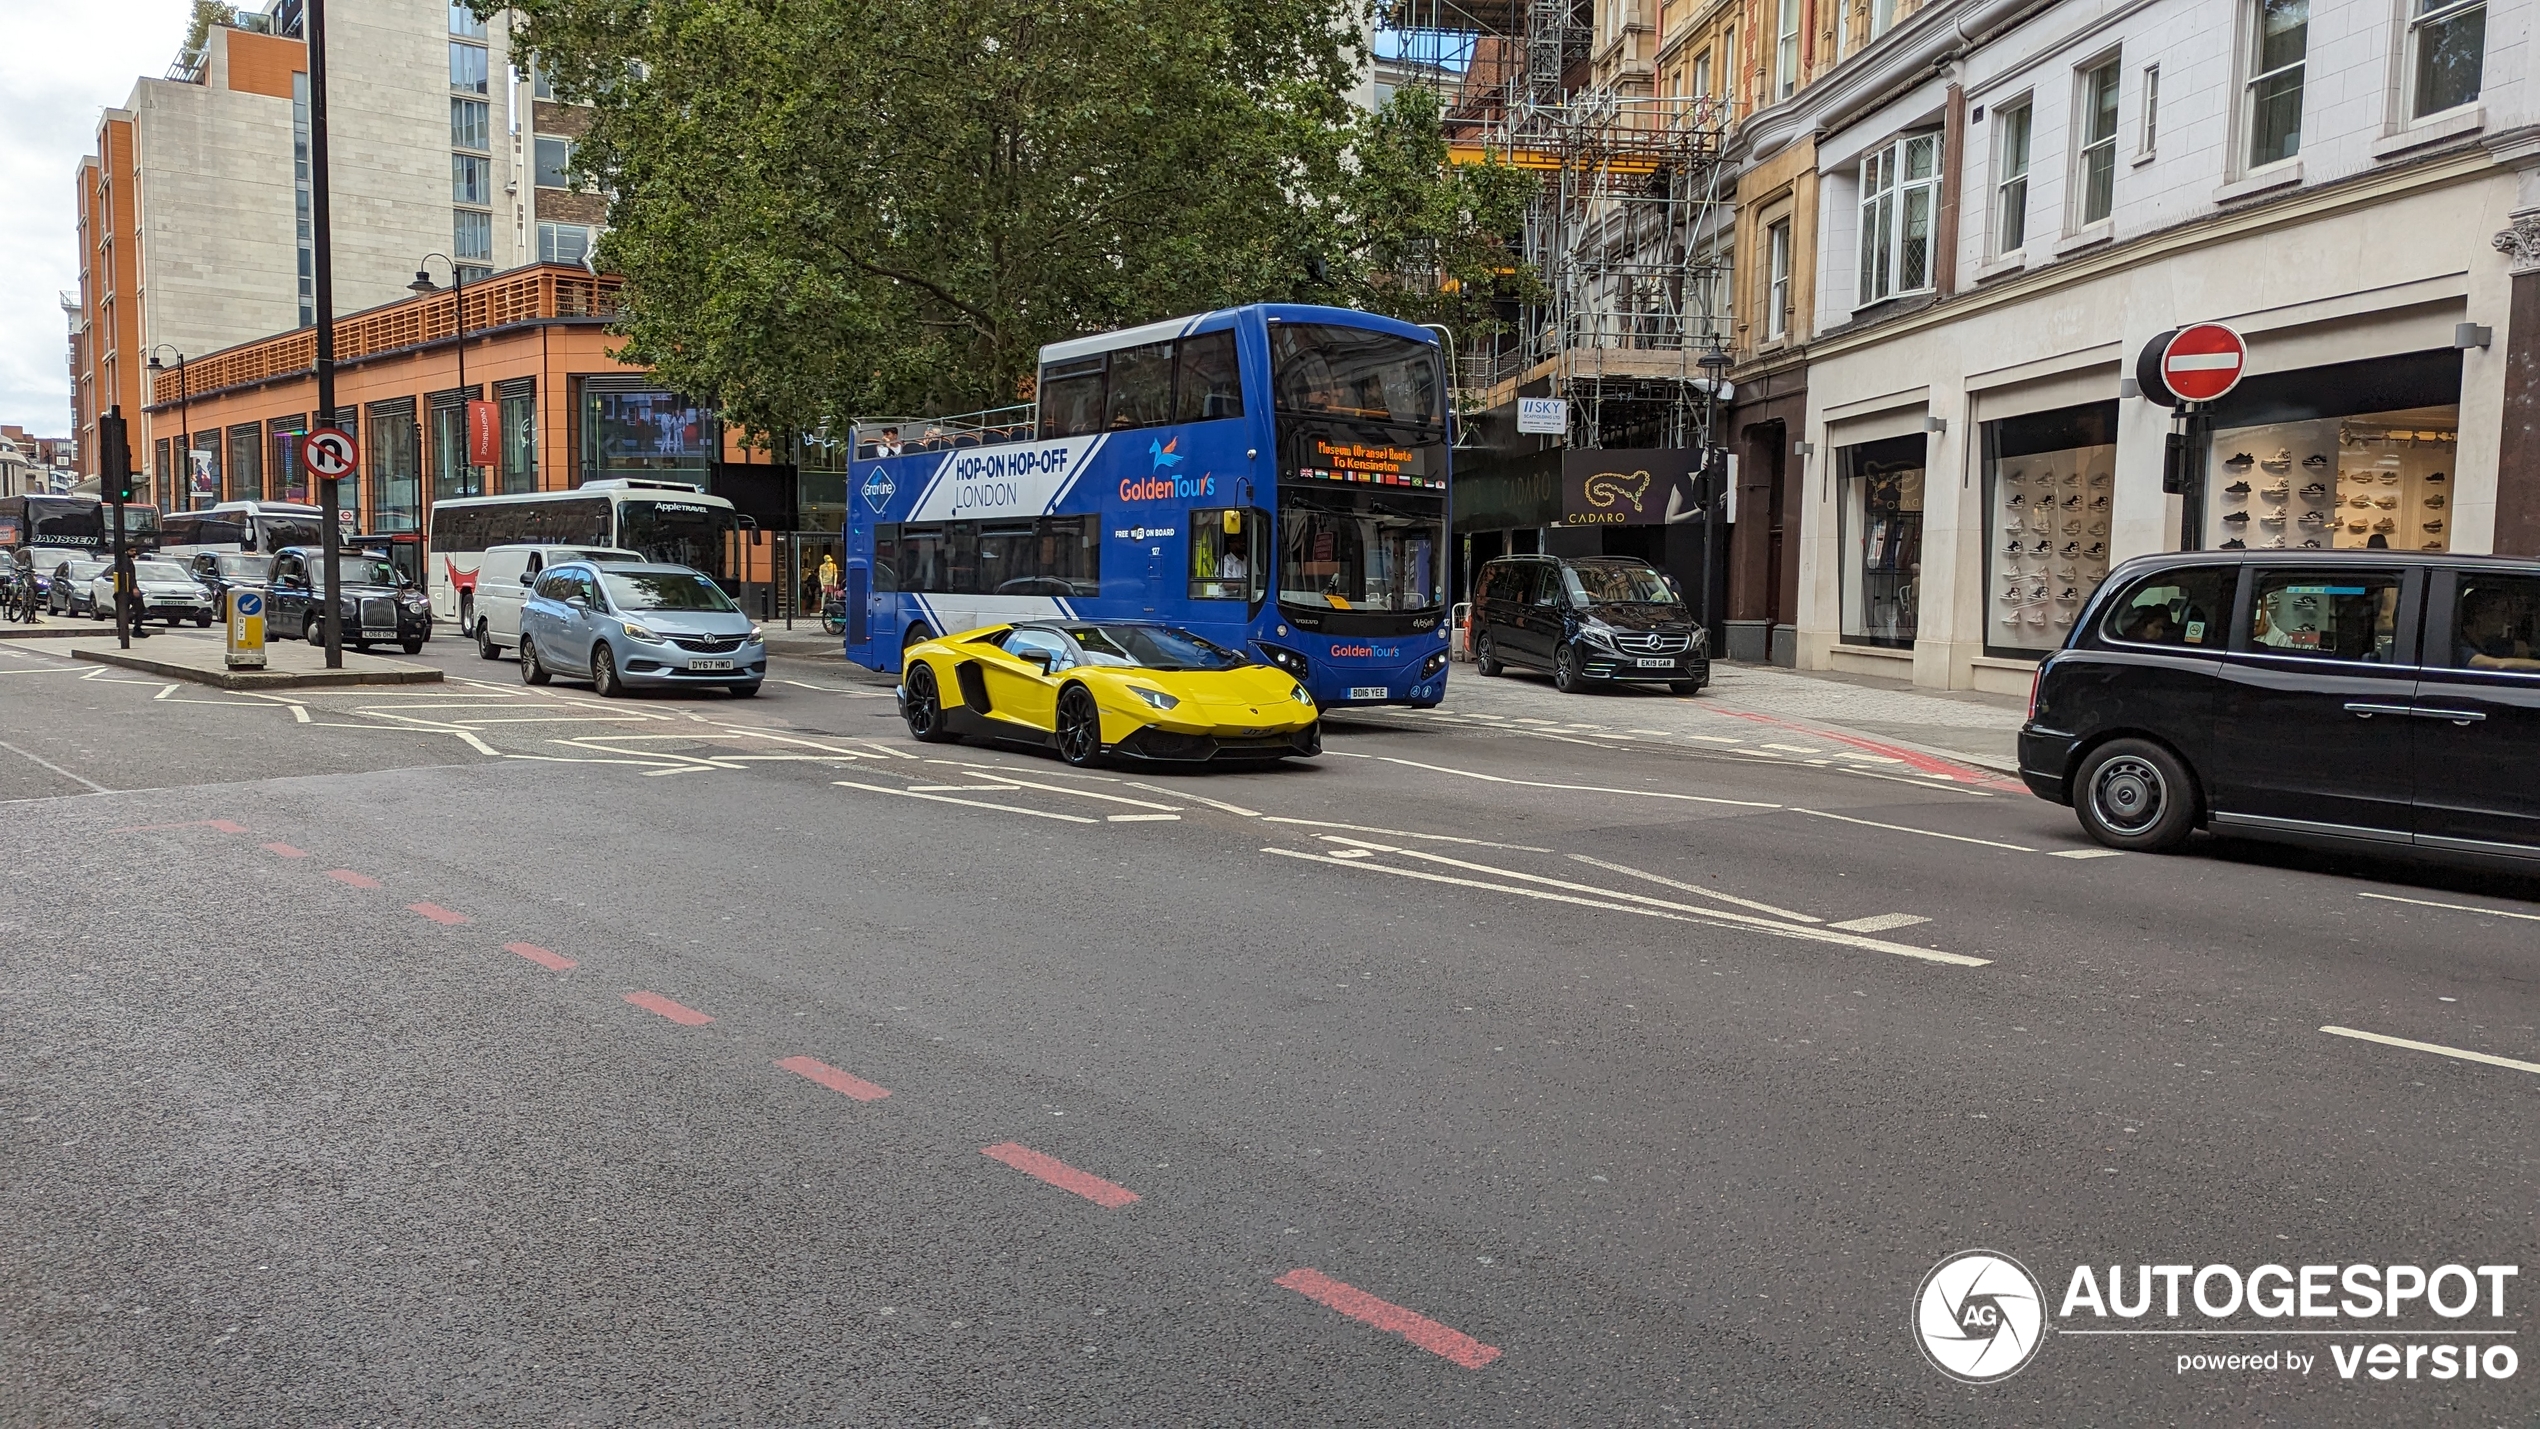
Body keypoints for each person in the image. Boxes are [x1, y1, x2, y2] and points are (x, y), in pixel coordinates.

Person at [2456, 587, 2540, 671]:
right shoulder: (2459, 647)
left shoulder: (2488, 644)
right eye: (2503, 612)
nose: (2506, 619)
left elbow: (2521, 648)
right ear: (2480, 614)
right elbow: (2498, 665)